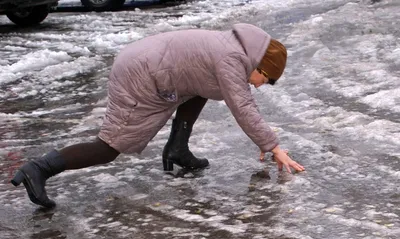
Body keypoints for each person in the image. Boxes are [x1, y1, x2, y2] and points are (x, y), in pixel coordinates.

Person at [11, 23, 305, 209]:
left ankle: (177, 148)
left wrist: (264, 140)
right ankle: (39, 168)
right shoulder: (232, 59)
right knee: (111, 146)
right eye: (264, 78)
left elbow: (225, 92)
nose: (259, 84)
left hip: (148, 63)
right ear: (258, 63)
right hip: (139, 73)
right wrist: (273, 146)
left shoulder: (234, 48)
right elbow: (242, 107)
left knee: (202, 87)